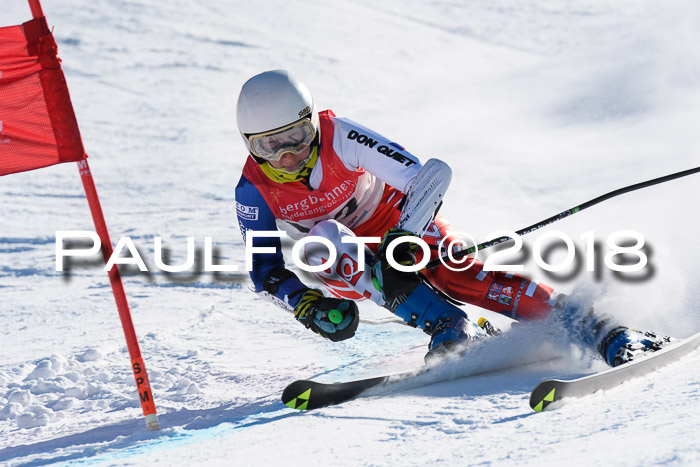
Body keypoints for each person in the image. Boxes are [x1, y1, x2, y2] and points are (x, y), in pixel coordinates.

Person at [234, 69, 666, 365]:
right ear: (249, 145)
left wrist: (402, 239)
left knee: (459, 277)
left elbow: (430, 176)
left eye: (296, 137)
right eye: (268, 146)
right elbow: (264, 270)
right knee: (322, 239)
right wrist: (304, 303)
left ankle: (599, 329)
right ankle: (447, 324)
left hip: (401, 225)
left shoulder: (340, 135)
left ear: (311, 123)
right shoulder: (253, 189)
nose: (287, 156)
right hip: (346, 261)